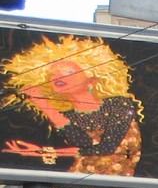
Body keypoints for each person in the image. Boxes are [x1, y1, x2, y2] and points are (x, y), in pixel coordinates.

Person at [1, 35, 144, 177]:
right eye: (53, 74)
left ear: (92, 78)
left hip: (112, 179)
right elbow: (83, 142)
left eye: (68, 72)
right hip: (77, 180)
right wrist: (44, 105)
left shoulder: (118, 104)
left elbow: (107, 147)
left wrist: (49, 151)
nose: (58, 77)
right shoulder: (67, 116)